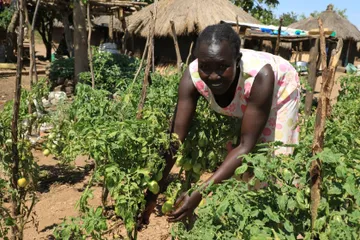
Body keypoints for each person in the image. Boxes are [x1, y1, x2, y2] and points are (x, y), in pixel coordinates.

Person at [140, 23, 300, 224]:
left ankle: (280, 222)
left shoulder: (261, 74)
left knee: (275, 166)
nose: (213, 75)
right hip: (247, 96)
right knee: (242, 170)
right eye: (205, 66)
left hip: (280, 90)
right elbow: (175, 139)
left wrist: (199, 193)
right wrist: (152, 192)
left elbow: (245, 145)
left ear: (237, 60)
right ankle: (246, 219)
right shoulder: (193, 76)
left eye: (222, 67)